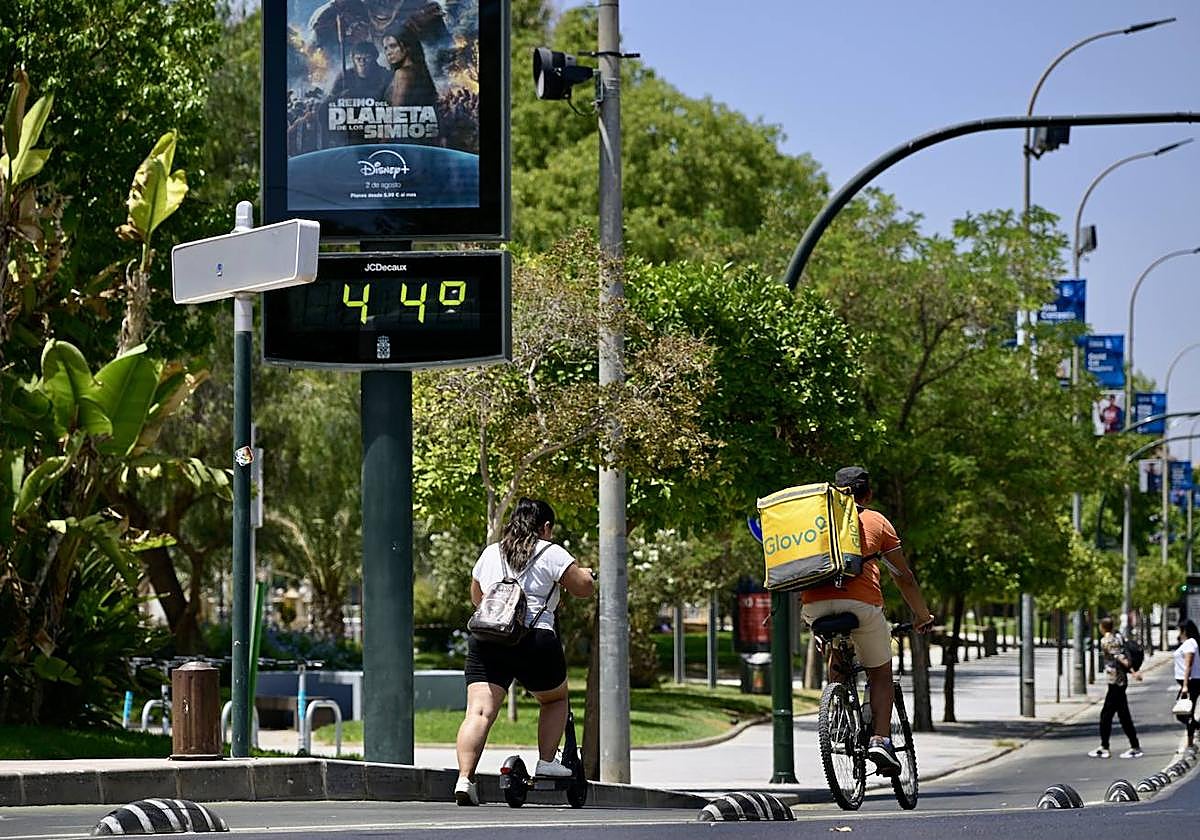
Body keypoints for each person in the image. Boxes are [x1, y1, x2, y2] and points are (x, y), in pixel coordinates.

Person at [453, 498, 595, 806]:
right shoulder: (551, 551)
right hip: (535, 640)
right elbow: (583, 588)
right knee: (555, 699)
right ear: (545, 527)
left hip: (488, 639)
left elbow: (477, 596)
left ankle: (465, 780)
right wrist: (585, 573)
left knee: (478, 712)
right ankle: (546, 761)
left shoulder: (492, 552)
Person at [800, 466, 935, 776]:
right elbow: (904, 577)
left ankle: (837, 713)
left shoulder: (817, 522)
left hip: (815, 606)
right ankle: (880, 739)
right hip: (862, 604)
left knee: (836, 647)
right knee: (880, 672)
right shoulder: (877, 521)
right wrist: (922, 615)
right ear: (868, 494)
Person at [1088, 615, 1143, 759]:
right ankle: (1134, 746)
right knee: (1124, 716)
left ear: (1102, 627)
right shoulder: (1117, 637)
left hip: (1116, 682)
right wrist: (1132, 672)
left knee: (1106, 715)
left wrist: (1131, 669)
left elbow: (1119, 657)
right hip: (1119, 681)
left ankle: (1104, 747)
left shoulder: (1108, 640)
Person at [382, 29, 439, 107]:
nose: (388, 53)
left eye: (393, 46)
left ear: (407, 47)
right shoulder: (419, 71)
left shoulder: (403, 74)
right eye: (386, 48)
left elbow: (396, 112)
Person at [1173, 619, 1200, 751]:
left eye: (1180, 630)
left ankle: (1190, 744)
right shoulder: (1189, 643)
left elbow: (1188, 665)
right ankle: (1191, 738)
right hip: (1191, 681)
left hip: (1191, 682)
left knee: (1185, 713)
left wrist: (1185, 685)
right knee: (1183, 713)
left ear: (1185, 630)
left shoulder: (1190, 643)